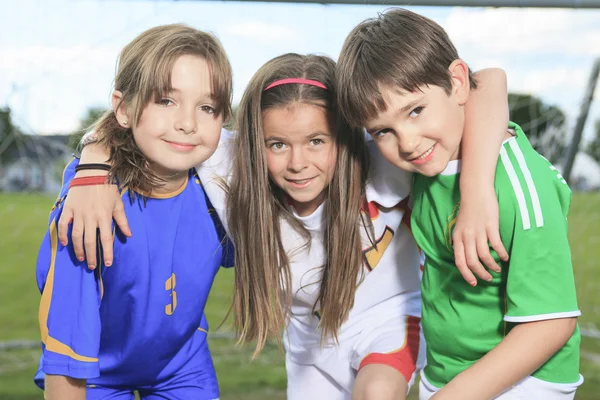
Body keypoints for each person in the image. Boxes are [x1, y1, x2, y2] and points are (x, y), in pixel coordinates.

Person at [61, 50, 509, 399]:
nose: (298, 164)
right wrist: (92, 169)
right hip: (309, 335)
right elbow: (135, 125)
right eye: (277, 144)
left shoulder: (382, 158)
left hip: (388, 317)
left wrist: (475, 192)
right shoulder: (227, 163)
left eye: (317, 141)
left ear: (346, 136)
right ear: (257, 143)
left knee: (377, 392)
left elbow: (487, 81)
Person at [337, 8, 583, 400]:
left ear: (456, 82)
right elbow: (487, 81)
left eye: (416, 111)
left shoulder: (520, 185)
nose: (407, 143)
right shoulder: (421, 164)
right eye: (384, 130)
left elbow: (551, 325)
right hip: (446, 371)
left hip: (526, 382)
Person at [34, 24, 234, 400]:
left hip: (181, 366)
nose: (187, 123)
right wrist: (92, 162)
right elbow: (65, 344)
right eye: (166, 100)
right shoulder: (90, 205)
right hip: (95, 374)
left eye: (207, 107)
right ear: (123, 108)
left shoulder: (221, 191)